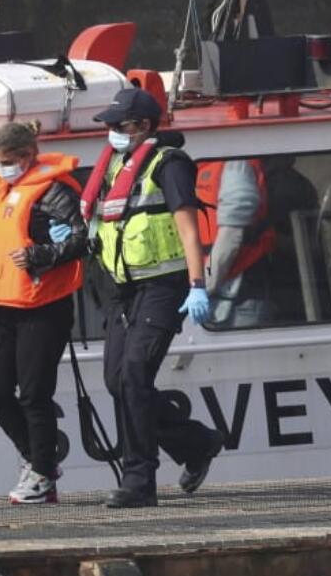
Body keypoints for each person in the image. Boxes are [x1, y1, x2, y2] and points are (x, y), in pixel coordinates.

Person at [81, 87, 225, 508]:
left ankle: (139, 481)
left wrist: (198, 285)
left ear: (143, 126)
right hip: (123, 290)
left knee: (134, 376)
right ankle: (198, 443)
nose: (110, 132)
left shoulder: (169, 164)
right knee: (116, 381)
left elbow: (188, 227)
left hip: (164, 287)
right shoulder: (116, 165)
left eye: (117, 126)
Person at [0, 121, 87, 504]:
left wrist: (41, 254)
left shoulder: (53, 191)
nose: (2, 167)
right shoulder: (0, 190)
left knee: (35, 393)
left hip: (41, 306)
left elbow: (81, 240)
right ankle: (38, 459)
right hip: (0, 303)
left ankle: (43, 475)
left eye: (8, 161)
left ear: (27, 155)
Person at [198, 157, 278, 327]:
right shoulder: (198, 165)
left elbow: (231, 235)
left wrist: (200, 287)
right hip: (213, 291)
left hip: (239, 294)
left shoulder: (235, 163)